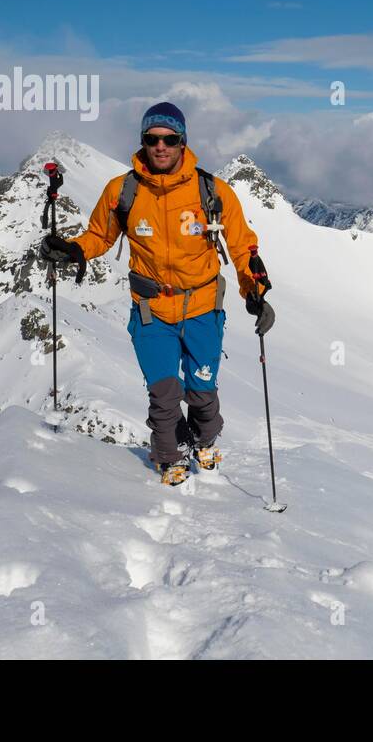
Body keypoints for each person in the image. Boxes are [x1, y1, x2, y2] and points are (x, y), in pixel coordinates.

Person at [40, 102, 276, 485]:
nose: (161, 146)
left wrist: (256, 293)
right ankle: (170, 457)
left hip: (202, 307)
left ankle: (204, 439)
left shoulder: (213, 192)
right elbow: (100, 235)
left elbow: (241, 247)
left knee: (201, 391)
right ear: (143, 142)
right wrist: (73, 250)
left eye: (170, 139)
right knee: (164, 394)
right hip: (151, 310)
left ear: (183, 142)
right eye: (153, 139)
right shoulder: (123, 191)